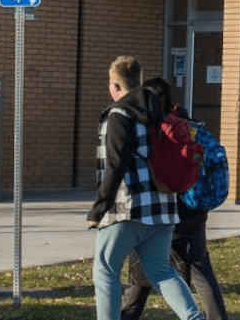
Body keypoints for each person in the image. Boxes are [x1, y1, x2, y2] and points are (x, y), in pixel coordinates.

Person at [87, 57, 205, 320]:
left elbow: (115, 165)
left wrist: (98, 209)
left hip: (127, 209)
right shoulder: (160, 111)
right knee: (161, 271)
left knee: (105, 271)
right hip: (163, 209)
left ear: (115, 84)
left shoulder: (118, 114)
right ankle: (194, 318)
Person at [121, 77, 229, 320]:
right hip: (194, 210)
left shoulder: (154, 129)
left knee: (140, 275)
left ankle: (128, 316)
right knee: (200, 269)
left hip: (159, 212)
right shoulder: (189, 126)